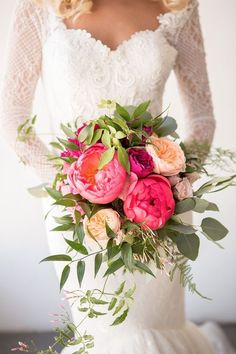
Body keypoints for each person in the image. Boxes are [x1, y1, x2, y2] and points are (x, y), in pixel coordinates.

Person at [1, 0, 235, 353]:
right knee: (106, 333)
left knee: (153, 327)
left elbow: (202, 118)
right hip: (78, 215)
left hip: (158, 212)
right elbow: (13, 114)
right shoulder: (39, 5)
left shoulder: (178, 7)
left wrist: (175, 182)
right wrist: (72, 187)